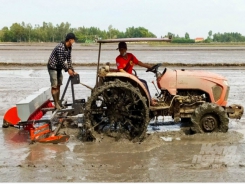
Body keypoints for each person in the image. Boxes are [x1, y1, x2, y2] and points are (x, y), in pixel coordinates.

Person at [115, 42, 157, 106]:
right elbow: (120, 70)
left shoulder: (130, 56)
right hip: (125, 78)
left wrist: (149, 67)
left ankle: (149, 98)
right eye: (120, 50)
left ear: (126, 49)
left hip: (131, 77)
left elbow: (138, 62)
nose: (120, 52)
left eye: (122, 50)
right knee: (143, 84)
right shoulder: (118, 59)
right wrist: (131, 76)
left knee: (144, 82)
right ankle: (150, 101)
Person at [47, 32, 77, 110]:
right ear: (70, 40)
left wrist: (72, 70)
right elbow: (60, 61)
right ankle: (56, 103)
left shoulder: (69, 47)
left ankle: (58, 102)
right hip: (53, 67)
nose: (74, 42)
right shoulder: (60, 47)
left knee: (59, 84)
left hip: (59, 68)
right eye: (73, 40)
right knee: (54, 85)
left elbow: (69, 59)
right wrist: (68, 70)